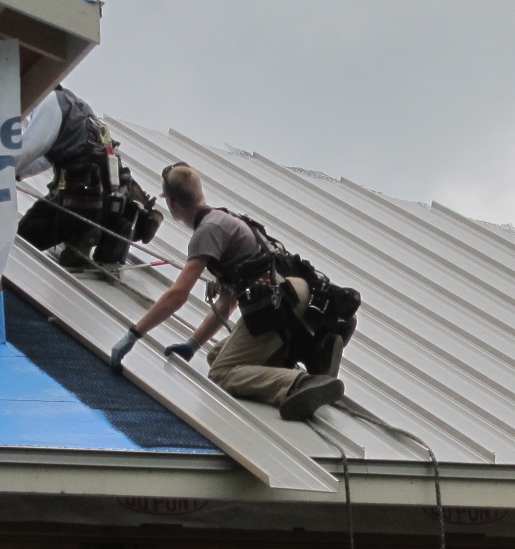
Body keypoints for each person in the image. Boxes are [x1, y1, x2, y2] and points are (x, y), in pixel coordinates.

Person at [108, 163, 345, 422]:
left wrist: (133, 335)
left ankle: (301, 382)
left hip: (277, 306)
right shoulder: (226, 218)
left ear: (172, 202)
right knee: (215, 355)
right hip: (294, 294)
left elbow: (178, 294)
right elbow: (227, 302)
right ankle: (308, 352)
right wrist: (193, 344)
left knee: (221, 374)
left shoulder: (207, 231)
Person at [15, 87, 159, 268]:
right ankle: (86, 231)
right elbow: (44, 156)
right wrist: (17, 173)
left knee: (20, 242)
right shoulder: (76, 105)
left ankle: (83, 231)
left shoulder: (48, 102)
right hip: (101, 197)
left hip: (77, 197)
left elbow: (28, 148)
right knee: (25, 238)